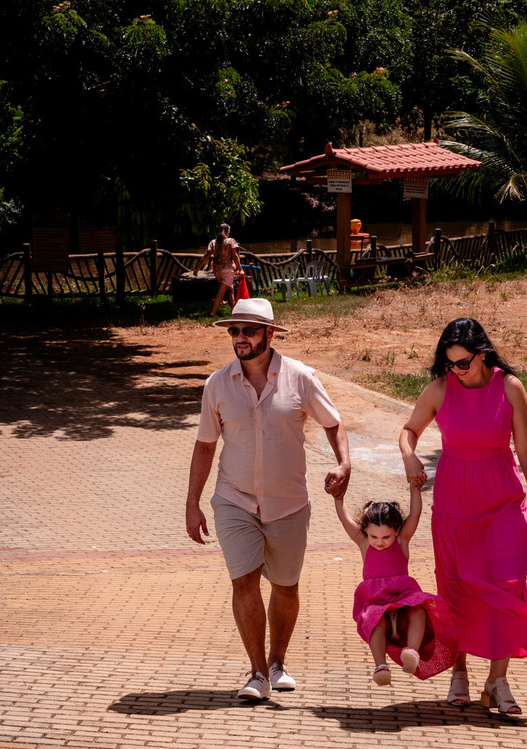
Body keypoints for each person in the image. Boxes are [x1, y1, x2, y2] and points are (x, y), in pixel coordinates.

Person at [186, 298, 351, 700]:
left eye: (248, 331)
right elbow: (205, 445)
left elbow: (333, 423)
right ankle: (257, 673)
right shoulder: (217, 384)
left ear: (269, 334)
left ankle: (278, 663)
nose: (239, 338)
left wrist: (344, 463)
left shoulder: (301, 377)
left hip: (288, 501)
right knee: (243, 580)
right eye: (234, 331)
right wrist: (192, 503)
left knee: (286, 586)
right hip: (234, 498)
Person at [398, 318, 527, 714]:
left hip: (504, 503)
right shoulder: (439, 390)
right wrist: (409, 454)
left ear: (483, 354)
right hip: (454, 507)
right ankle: (459, 672)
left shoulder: (510, 388)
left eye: (464, 362)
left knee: (506, 590)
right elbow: (408, 430)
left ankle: (497, 681)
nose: (457, 370)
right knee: (457, 593)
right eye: (450, 364)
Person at [333, 483, 458, 686]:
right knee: (373, 620)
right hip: (378, 608)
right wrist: (338, 499)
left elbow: (415, 515)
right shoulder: (364, 544)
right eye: (374, 536)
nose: (379, 542)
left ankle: (411, 651)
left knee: (419, 610)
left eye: (385, 537)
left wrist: (415, 489)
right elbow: (345, 520)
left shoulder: (402, 541)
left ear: (397, 531)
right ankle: (380, 666)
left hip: (402, 609)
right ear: (366, 531)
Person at [192, 223, 243, 316]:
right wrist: (240, 269)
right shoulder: (230, 241)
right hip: (227, 270)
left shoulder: (213, 242)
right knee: (221, 291)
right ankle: (213, 312)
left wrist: (197, 268)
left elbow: (206, 256)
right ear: (227, 231)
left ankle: (234, 310)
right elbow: (235, 256)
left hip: (217, 270)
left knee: (230, 288)